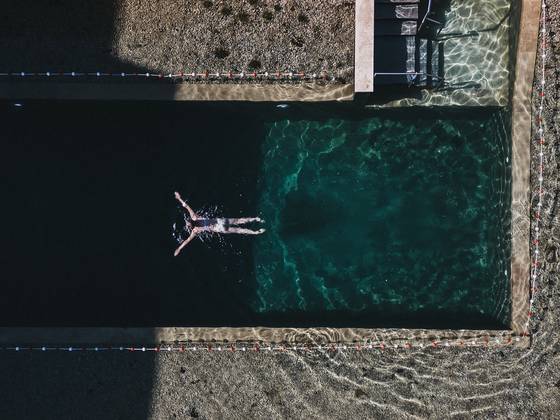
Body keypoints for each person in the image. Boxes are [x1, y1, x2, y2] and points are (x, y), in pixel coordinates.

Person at [173, 192, 265, 256]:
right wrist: (179, 198)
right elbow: (186, 206)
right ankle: (256, 219)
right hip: (220, 222)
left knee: (238, 230)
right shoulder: (194, 217)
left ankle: (256, 232)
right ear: (188, 221)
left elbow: (187, 241)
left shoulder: (195, 230)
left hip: (220, 229)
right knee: (238, 221)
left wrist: (179, 249)